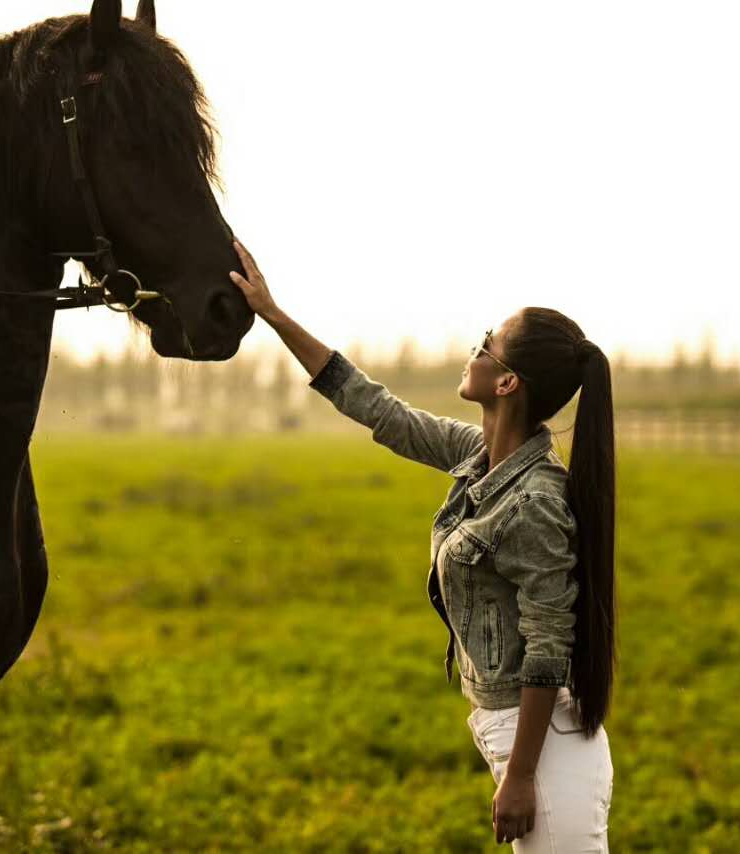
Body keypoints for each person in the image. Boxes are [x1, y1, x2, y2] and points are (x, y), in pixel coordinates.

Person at [228, 240, 616, 850]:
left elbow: (547, 646)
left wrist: (519, 777)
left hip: (544, 749)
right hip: (515, 732)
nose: (473, 349)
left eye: (486, 344)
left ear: (507, 380)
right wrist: (273, 315)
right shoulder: (481, 459)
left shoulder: (534, 502)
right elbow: (379, 409)